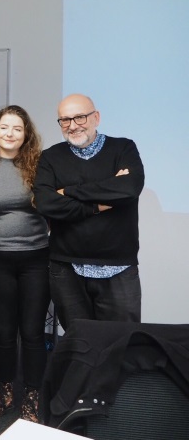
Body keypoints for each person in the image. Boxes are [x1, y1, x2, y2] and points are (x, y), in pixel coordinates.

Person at [33, 94, 144, 330]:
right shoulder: (50, 157)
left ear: (96, 117)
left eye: (80, 117)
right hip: (66, 267)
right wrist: (97, 204)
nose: (73, 125)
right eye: (65, 120)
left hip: (118, 266)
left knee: (121, 341)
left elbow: (129, 189)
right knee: (79, 341)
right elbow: (45, 203)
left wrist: (68, 191)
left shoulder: (123, 148)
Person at [0, 106, 50, 424]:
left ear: (26, 133)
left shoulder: (40, 166)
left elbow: (55, 204)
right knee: (2, 332)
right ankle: (4, 395)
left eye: (17, 128)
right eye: (4, 127)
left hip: (36, 260)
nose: (10, 133)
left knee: (32, 332)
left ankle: (31, 398)